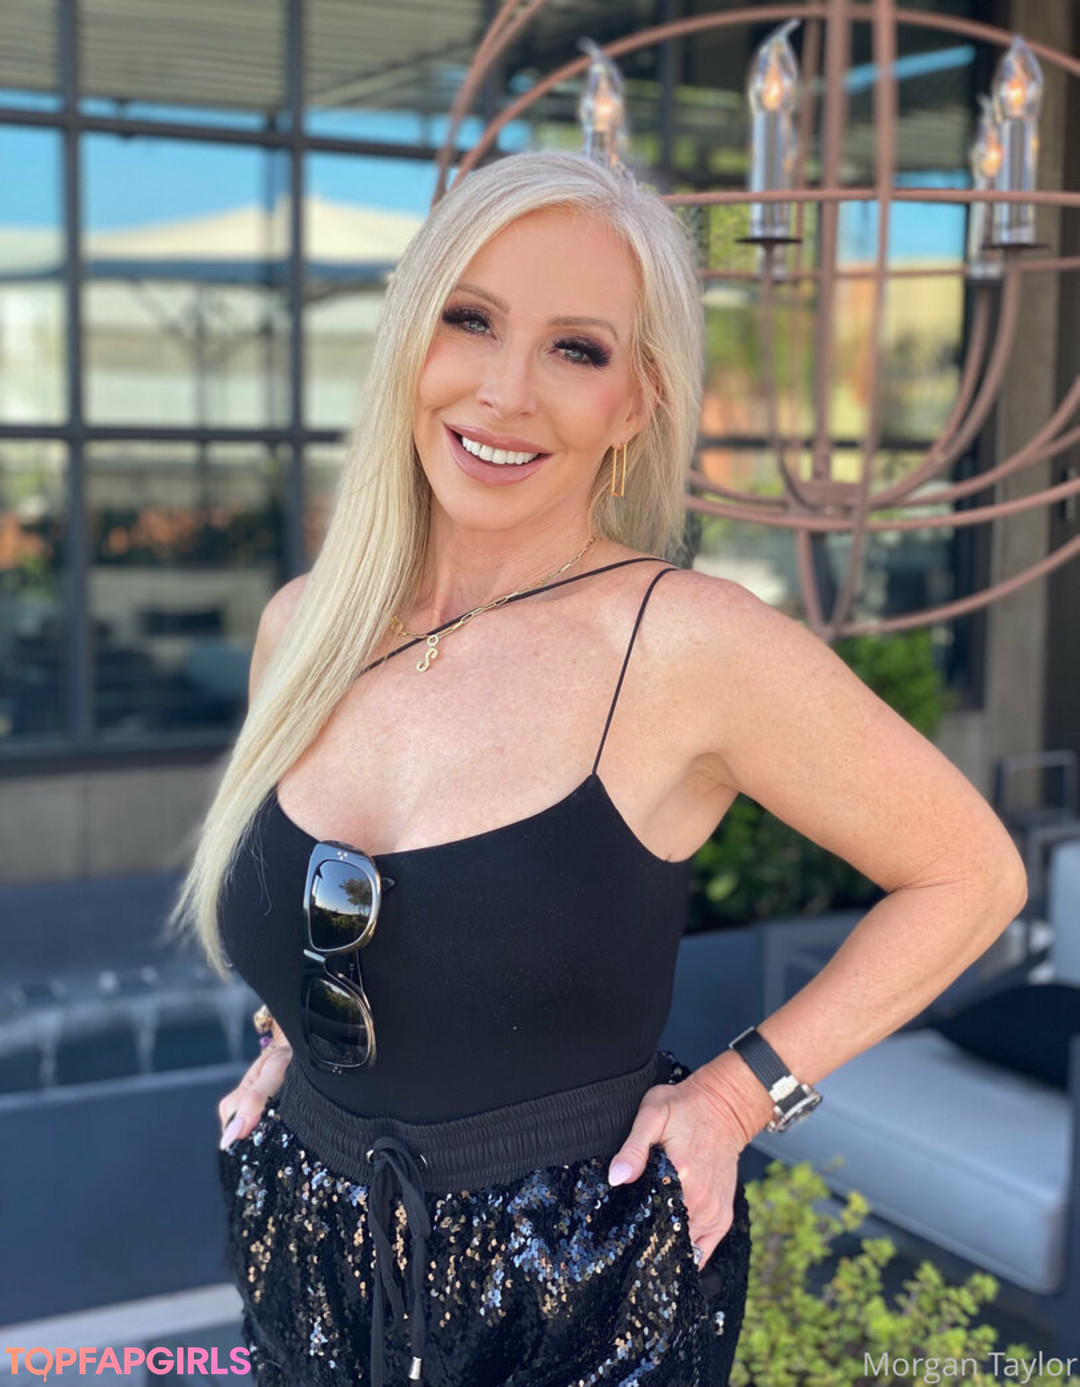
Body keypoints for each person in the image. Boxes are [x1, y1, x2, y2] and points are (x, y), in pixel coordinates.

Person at [166, 148, 1027, 1387]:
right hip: (303, 1241)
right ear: (410, 338)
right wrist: (300, 1035)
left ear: (634, 403)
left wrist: (740, 1096)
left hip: (573, 1292)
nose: (505, 391)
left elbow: (971, 873)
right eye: (471, 319)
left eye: (576, 349)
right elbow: (341, 923)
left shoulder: (686, 646)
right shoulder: (303, 627)